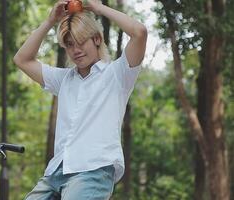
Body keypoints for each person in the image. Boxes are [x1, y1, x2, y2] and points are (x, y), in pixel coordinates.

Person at [13, 0, 147, 199]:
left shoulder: (117, 75)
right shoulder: (64, 80)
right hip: (55, 172)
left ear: (97, 39)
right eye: (69, 44)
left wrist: (99, 8)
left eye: (81, 41)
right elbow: (22, 59)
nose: (76, 50)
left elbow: (139, 32)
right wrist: (50, 21)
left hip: (93, 171)